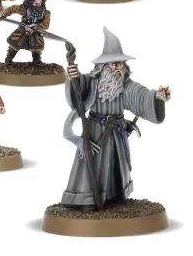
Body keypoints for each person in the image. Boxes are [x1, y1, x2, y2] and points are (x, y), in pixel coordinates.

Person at [62, 27, 171, 209]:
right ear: (103, 65)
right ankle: (87, 200)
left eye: (120, 63)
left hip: (117, 133)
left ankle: (115, 196)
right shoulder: (92, 81)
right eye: (114, 63)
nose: (118, 67)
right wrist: (74, 77)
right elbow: (78, 93)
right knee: (93, 165)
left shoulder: (125, 84)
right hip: (95, 133)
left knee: (116, 166)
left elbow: (140, 95)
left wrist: (157, 97)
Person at [0, 0, 50, 65]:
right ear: (30, 2)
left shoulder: (45, 13)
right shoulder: (24, 9)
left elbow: (46, 25)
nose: (38, 5)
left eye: (40, 3)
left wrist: (36, 26)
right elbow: (12, 8)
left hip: (35, 33)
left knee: (37, 47)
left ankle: (37, 60)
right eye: (35, 3)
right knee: (14, 45)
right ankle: (8, 59)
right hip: (22, 31)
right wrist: (1, 14)